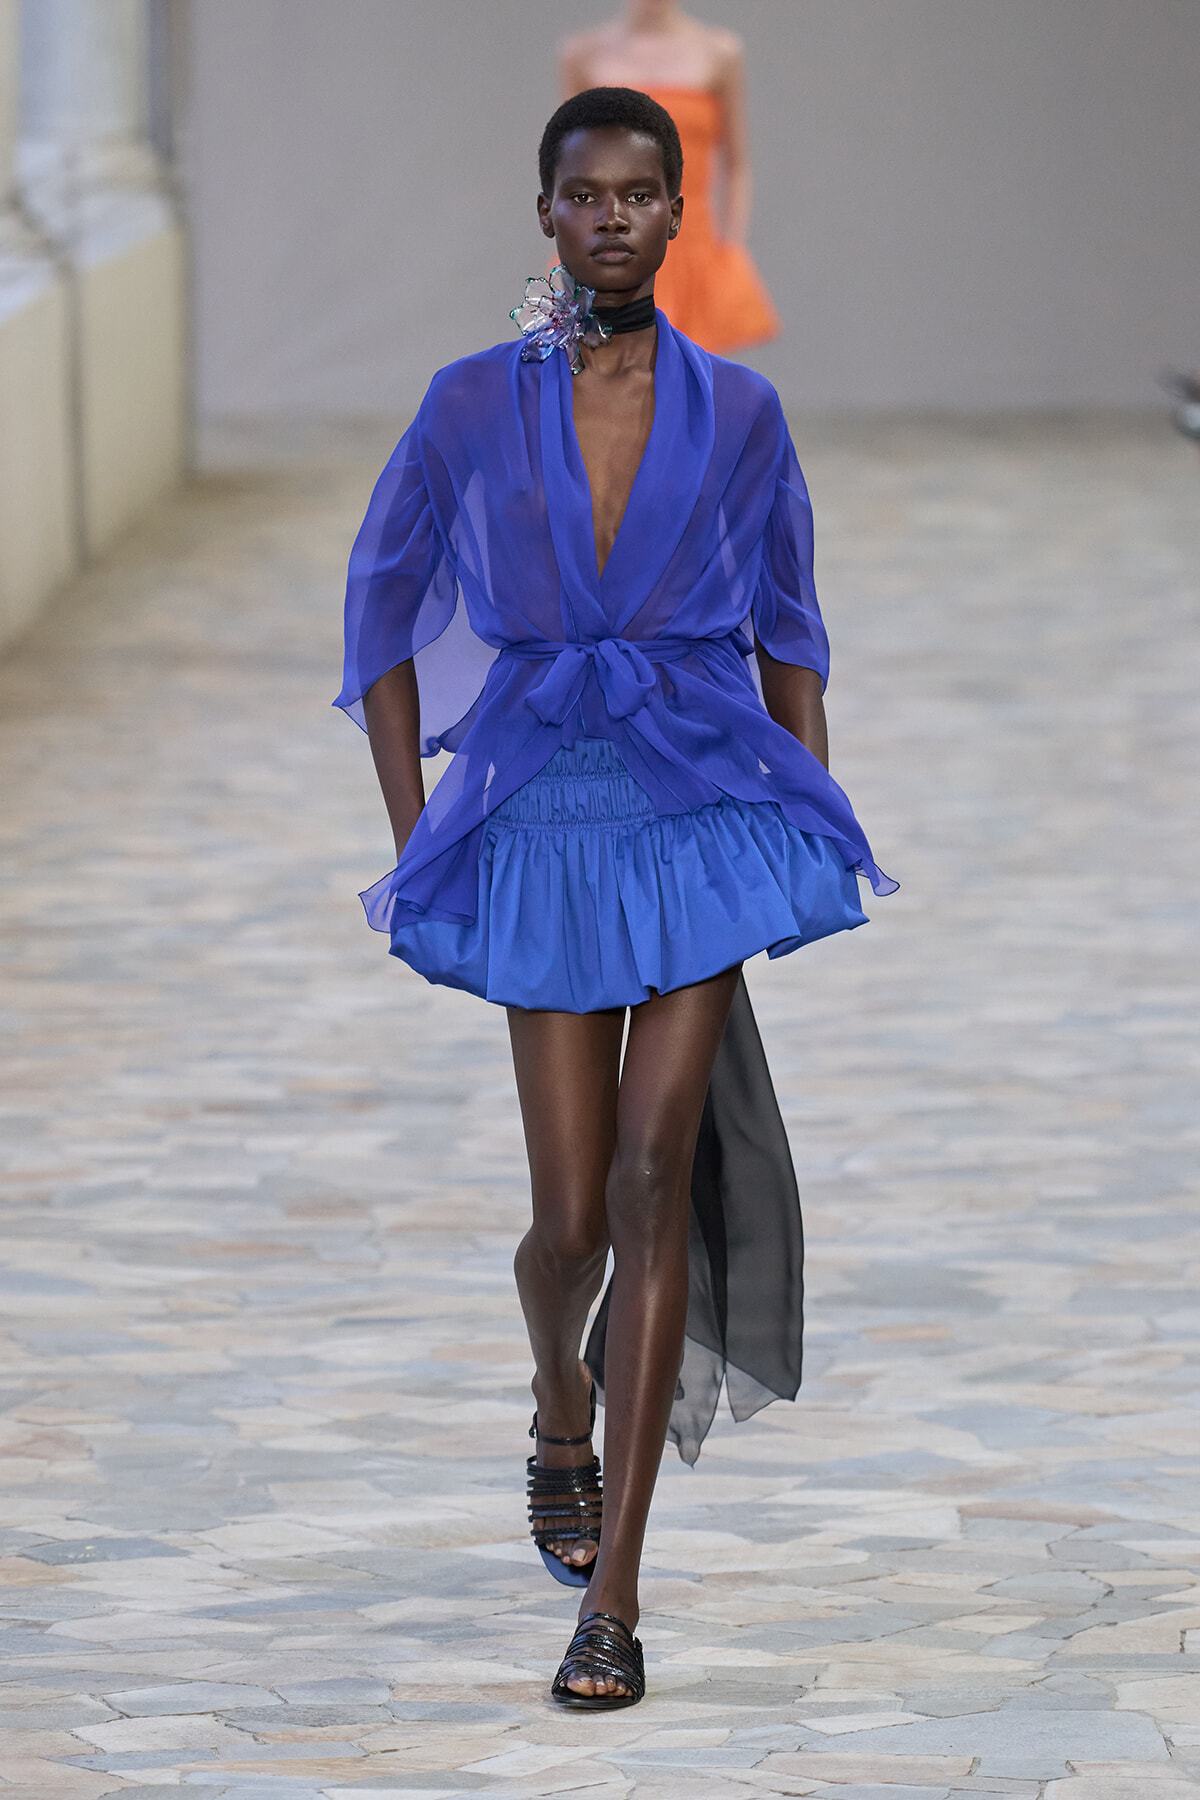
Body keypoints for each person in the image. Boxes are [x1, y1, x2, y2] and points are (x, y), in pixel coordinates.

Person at [336, 87, 892, 1710]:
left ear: (676, 214)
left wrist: (809, 805)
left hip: (702, 809)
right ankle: (553, 1409)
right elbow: (380, 617)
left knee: (658, 1179)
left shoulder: (742, 414)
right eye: (586, 194)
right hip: (544, 825)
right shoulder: (466, 407)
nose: (614, 219)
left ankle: (617, 1600)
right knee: (571, 1217)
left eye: (644, 194)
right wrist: (421, 828)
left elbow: (793, 626)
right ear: (546, 216)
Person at [561, 0, 778, 353]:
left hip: (694, 245)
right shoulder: (583, 55)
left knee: (691, 377)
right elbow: (570, 165)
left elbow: (736, 163)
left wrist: (731, 248)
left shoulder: (719, 52)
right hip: (611, 239)